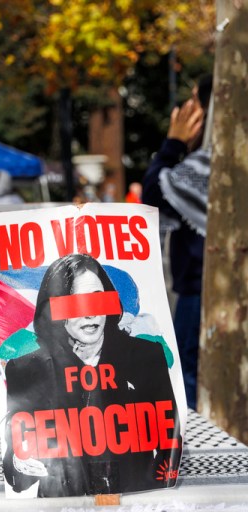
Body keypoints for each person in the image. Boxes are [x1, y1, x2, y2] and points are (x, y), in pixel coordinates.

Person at [3, 254, 181, 497]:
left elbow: (169, 442)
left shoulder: (146, 357)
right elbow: (16, 477)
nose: (90, 314)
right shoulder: (25, 370)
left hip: (135, 501)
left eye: (98, 301)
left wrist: (157, 496)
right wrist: (21, 461)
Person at [142, 75, 212, 410]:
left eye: (195, 102)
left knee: (190, 389)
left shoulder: (208, 164)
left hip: (200, 296)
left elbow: (154, 194)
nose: (186, 111)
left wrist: (173, 144)